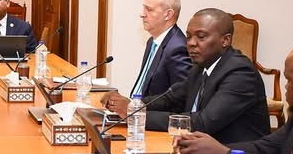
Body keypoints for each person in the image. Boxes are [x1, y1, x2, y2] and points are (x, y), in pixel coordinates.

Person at [106, 8, 269, 144]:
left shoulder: (240, 73)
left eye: (201, 37)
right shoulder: (201, 66)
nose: (191, 43)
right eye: (189, 36)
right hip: (197, 151)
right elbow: (170, 98)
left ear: (225, 40)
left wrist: (136, 115)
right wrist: (132, 104)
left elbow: (204, 122)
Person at [103, 0, 190, 109]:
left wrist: (133, 105)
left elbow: (178, 99)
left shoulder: (178, 47)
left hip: (152, 117)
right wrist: (126, 103)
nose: (142, 14)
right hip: (137, 112)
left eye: (149, 9)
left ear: (168, 14)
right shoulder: (152, 41)